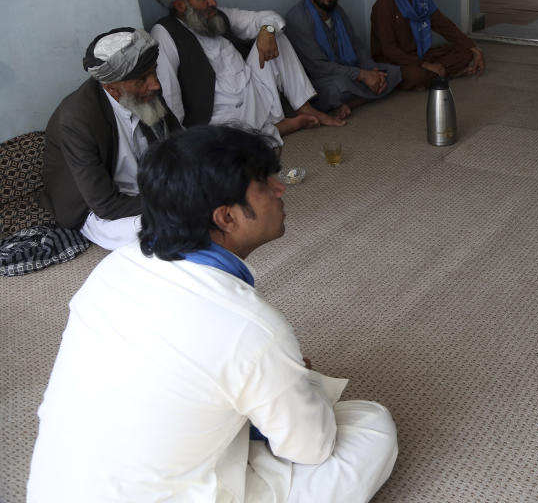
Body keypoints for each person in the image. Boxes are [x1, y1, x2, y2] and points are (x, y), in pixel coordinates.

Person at [27, 125, 398, 502]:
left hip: (53, 491)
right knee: (372, 426)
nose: (280, 188)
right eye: (263, 184)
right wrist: (297, 381)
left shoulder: (112, 268)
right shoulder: (252, 328)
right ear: (226, 218)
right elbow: (310, 450)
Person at [151, 0, 344, 145]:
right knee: (220, 147)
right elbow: (170, 96)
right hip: (220, 114)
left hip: (254, 93)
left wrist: (266, 31)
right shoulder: (165, 33)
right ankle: (277, 129)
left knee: (276, 35)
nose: (213, 2)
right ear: (180, 4)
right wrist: (178, 143)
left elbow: (269, 17)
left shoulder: (218, 15)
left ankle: (305, 108)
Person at [40, 27, 182, 250]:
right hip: (96, 208)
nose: (154, 84)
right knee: (168, 231)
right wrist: (175, 201)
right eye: (143, 78)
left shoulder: (145, 91)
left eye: (154, 72)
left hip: (146, 188)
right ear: (112, 89)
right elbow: (106, 205)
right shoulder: (76, 120)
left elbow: (179, 144)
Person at [286, 0, 418, 119]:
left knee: (391, 72)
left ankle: (351, 104)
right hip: (318, 81)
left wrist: (372, 70)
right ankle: (358, 97)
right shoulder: (298, 19)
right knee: (338, 88)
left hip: (347, 71)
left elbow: (356, 45)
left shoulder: (336, 10)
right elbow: (318, 68)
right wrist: (362, 75)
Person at [370, 0, 484, 83]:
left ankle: (437, 75)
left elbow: (445, 26)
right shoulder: (384, 4)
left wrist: (475, 49)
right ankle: (445, 74)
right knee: (416, 75)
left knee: (466, 52)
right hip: (395, 60)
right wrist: (425, 65)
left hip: (420, 53)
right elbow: (389, 50)